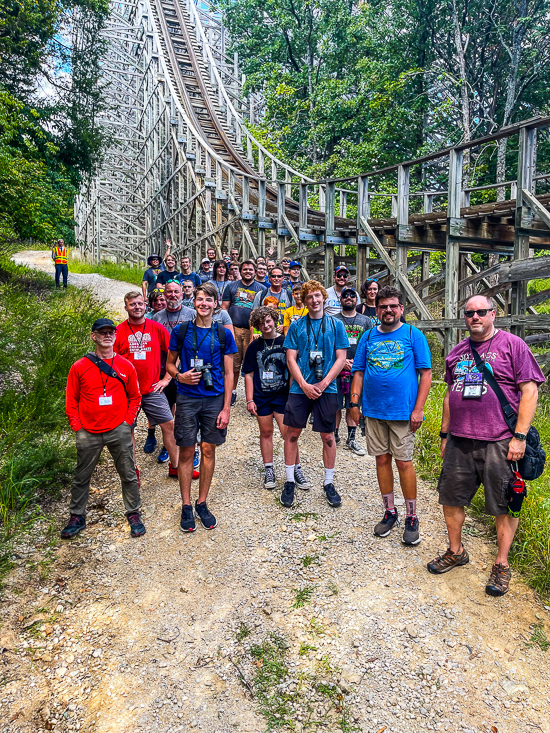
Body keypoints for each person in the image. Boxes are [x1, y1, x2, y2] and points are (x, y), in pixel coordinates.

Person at [427, 295, 545, 596]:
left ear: (493, 314)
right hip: (460, 440)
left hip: (500, 441)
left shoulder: (512, 345)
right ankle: (456, 551)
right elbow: (449, 395)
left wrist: (519, 436)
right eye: (469, 313)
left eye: (481, 312)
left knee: (503, 504)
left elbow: (529, 392)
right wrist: (444, 435)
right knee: (450, 498)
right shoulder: (457, 352)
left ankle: (502, 564)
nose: (475, 317)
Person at [350, 286, 432, 546]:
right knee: (381, 460)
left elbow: (426, 374)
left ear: (401, 309)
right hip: (374, 410)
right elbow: (359, 371)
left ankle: (411, 515)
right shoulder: (368, 336)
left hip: (402, 412)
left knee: (404, 461)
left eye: (393, 306)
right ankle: (389, 511)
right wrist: (354, 402)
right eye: (383, 306)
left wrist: (418, 409)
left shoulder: (412, 334)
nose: (388, 310)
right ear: (376, 309)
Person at [62, 318, 145, 539]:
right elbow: (71, 400)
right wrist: (77, 427)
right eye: (102, 332)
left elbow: (135, 397)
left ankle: (133, 513)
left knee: (127, 473)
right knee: (82, 476)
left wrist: (127, 422)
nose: (107, 335)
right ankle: (77, 516)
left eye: (111, 332)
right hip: (88, 430)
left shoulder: (126, 365)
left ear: (115, 336)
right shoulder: (79, 367)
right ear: (94, 336)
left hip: (118, 428)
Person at [166, 282, 238, 532]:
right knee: (186, 452)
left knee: (208, 449)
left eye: (209, 300)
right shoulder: (182, 330)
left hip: (214, 398)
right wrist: (179, 377)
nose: (204, 304)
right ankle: (186, 505)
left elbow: (229, 373)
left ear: (216, 304)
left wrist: (226, 408)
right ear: (193, 302)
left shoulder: (224, 334)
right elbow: (170, 365)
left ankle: (202, 502)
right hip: (187, 397)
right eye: (199, 299)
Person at [282, 280, 349, 509]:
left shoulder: (336, 325)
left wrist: (324, 382)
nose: (313, 300)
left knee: (328, 436)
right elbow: (291, 357)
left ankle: (329, 482)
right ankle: (290, 480)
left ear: (324, 298)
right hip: (300, 388)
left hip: (327, 387)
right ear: (304, 300)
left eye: (317, 296)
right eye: (309, 297)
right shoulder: (297, 326)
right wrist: (303, 384)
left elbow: (341, 357)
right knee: (292, 434)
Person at [114, 291, 180, 478]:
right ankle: (132, 471)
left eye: (140, 304)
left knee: (169, 425)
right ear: (126, 307)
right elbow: (111, 361)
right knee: (128, 431)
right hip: (127, 393)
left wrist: (167, 378)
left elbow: (173, 354)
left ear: (146, 306)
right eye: (132, 304)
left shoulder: (156, 328)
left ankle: (175, 466)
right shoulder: (119, 331)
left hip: (152, 389)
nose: (137, 307)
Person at [243, 306, 308, 491]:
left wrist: (292, 396)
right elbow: (248, 374)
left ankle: (296, 468)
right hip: (261, 395)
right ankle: (269, 468)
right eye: (261, 323)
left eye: (269, 320)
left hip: (282, 395)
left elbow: (292, 368)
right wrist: (249, 399)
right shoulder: (254, 346)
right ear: (257, 325)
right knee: (265, 432)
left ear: (275, 320)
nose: (266, 325)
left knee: (288, 434)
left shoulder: (285, 342)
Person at [334, 288, 372, 455]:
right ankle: (334, 436)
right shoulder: (333, 320)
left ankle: (351, 438)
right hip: (336, 369)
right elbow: (328, 344)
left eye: (352, 296)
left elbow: (370, 345)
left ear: (357, 299)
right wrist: (341, 362)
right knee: (335, 405)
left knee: (352, 404)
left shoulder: (366, 321)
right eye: (345, 296)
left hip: (357, 369)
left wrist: (357, 363)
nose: (348, 298)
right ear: (340, 299)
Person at [222, 260, 265, 405]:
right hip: (234, 329)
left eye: (250, 269)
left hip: (253, 331)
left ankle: (253, 396)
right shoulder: (231, 286)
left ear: (255, 271)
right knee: (233, 364)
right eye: (245, 269)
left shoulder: (261, 288)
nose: (247, 271)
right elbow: (224, 308)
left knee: (253, 363)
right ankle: (232, 392)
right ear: (240, 271)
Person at [251, 266, 292, 333]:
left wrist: (285, 326)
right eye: (273, 276)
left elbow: (295, 316)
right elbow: (253, 317)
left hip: (284, 334)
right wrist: (253, 335)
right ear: (269, 277)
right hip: (264, 333)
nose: (276, 278)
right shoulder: (261, 294)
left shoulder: (289, 295)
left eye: (279, 276)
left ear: (283, 278)